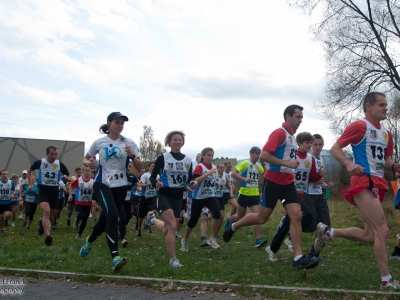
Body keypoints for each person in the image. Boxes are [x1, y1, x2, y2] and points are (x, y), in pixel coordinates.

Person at [315, 92, 400, 288]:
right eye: (381, 104)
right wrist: (348, 164)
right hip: (362, 182)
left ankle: (328, 232)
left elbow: (386, 161)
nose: (385, 108)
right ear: (368, 107)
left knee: (371, 236)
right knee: (383, 230)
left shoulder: (387, 132)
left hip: (378, 184)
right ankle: (386, 280)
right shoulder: (360, 126)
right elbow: (336, 148)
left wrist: (394, 166)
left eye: (386, 104)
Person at [223, 104, 319, 270]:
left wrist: (292, 166)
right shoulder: (279, 133)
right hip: (274, 182)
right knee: (261, 218)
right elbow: (266, 155)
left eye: (302, 118)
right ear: (288, 117)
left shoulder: (291, 136)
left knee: (296, 216)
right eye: (298, 117)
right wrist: (287, 163)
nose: (300, 120)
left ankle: (297, 258)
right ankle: (233, 226)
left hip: (288, 183)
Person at [79, 112, 141, 271]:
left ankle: (90, 241)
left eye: (122, 123)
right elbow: (86, 158)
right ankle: (115, 257)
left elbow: (140, 167)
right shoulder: (99, 142)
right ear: (109, 123)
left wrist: (132, 155)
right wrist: (89, 163)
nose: (120, 125)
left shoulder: (129, 142)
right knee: (114, 215)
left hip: (120, 186)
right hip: (102, 184)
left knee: (105, 219)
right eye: (117, 122)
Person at [266, 132, 321, 261]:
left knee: (292, 221)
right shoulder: (292, 154)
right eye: (307, 142)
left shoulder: (311, 158)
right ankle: (290, 239)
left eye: (311, 142)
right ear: (299, 143)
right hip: (289, 191)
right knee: (307, 214)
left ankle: (273, 248)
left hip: (302, 194)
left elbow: (312, 178)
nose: (310, 145)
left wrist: (319, 175)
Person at [144, 131, 195, 268]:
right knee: (173, 226)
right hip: (164, 195)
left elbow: (190, 179)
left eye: (180, 139)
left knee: (168, 230)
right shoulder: (163, 158)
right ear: (169, 142)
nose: (177, 142)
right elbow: (152, 177)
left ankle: (152, 220)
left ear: (183, 142)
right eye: (175, 140)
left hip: (178, 198)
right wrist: (156, 183)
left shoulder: (188, 160)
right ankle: (173, 260)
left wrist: (193, 183)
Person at [27, 146, 71, 246]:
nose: (54, 156)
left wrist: (66, 178)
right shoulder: (40, 162)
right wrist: (30, 183)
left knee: (51, 216)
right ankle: (48, 236)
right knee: (46, 211)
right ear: (47, 154)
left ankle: (42, 223)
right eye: (52, 154)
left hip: (55, 191)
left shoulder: (59, 164)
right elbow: (29, 171)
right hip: (43, 190)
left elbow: (69, 176)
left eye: (55, 154)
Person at [180, 147, 221, 252]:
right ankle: (184, 240)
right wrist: (208, 173)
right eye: (208, 155)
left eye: (212, 155)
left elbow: (213, 179)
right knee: (193, 221)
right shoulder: (200, 167)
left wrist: (216, 182)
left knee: (217, 213)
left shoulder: (214, 167)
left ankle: (211, 238)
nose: (211, 157)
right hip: (198, 197)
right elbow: (196, 179)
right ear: (203, 156)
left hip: (210, 195)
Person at [304, 134, 334, 260]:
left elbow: (319, 180)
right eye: (315, 144)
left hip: (319, 196)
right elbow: (304, 179)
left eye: (320, 144)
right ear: (311, 145)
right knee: (311, 226)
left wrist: (326, 185)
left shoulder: (320, 160)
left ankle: (313, 254)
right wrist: (314, 181)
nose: (317, 147)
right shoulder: (307, 158)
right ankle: (288, 225)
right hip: (308, 195)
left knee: (326, 227)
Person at [230, 147, 266, 248]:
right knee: (241, 218)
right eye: (256, 153)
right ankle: (231, 219)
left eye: (259, 154)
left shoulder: (258, 166)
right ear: (250, 153)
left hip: (255, 195)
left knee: (258, 217)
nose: (257, 156)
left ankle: (258, 240)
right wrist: (244, 179)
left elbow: (266, 175)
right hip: (244, 194)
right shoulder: (245, 163)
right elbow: (233, 173)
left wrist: (263, 163)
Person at [118, 161, 141, 247]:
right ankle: (123, 238)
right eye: (127, 165)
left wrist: (138, 188)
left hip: (128, 201)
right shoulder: (119, 175)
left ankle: (117, 226)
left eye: (130, 166)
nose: (129, 167)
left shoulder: (132, 177)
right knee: (123, 218)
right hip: (119, 200)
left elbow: (137, 185)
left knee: (126, 219)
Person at [69, 166, 94, 240]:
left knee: (85, 219)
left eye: (88, 171)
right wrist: (70, 195)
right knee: (82, 214)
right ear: (83, 172)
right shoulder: (79, 180)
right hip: (79, 201)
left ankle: (79, 234)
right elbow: (71, 186)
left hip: (88, 203)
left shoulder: (92, 181)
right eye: (86, 170)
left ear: (90, 172)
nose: (87, 172)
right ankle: (77, 221)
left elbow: (96, 190)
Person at [137, 162, 157, 236]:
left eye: (155, 166)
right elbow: (140, 185)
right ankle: (139, 229)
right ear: (148, 167)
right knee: (141, 215)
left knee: (154, 211)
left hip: (153, 196)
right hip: (144, 197)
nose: (153, 167)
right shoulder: (145, 175)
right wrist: (149, 183)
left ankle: (148, 225)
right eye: (152, 166)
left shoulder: (157, 175)